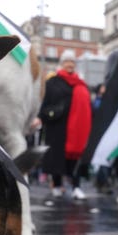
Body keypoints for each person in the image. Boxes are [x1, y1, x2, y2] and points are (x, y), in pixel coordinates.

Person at [39, 50, 92, 200]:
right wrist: (55, 111)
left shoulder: (80, 84)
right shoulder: (52, 82)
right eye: (67, 61)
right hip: (57, 127)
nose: (70, 64)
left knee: (75, 159)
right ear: (61, 64)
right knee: (57, 158)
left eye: (72, 62)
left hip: (76, 129)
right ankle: (56, 185)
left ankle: (76, 186)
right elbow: (44, 106)